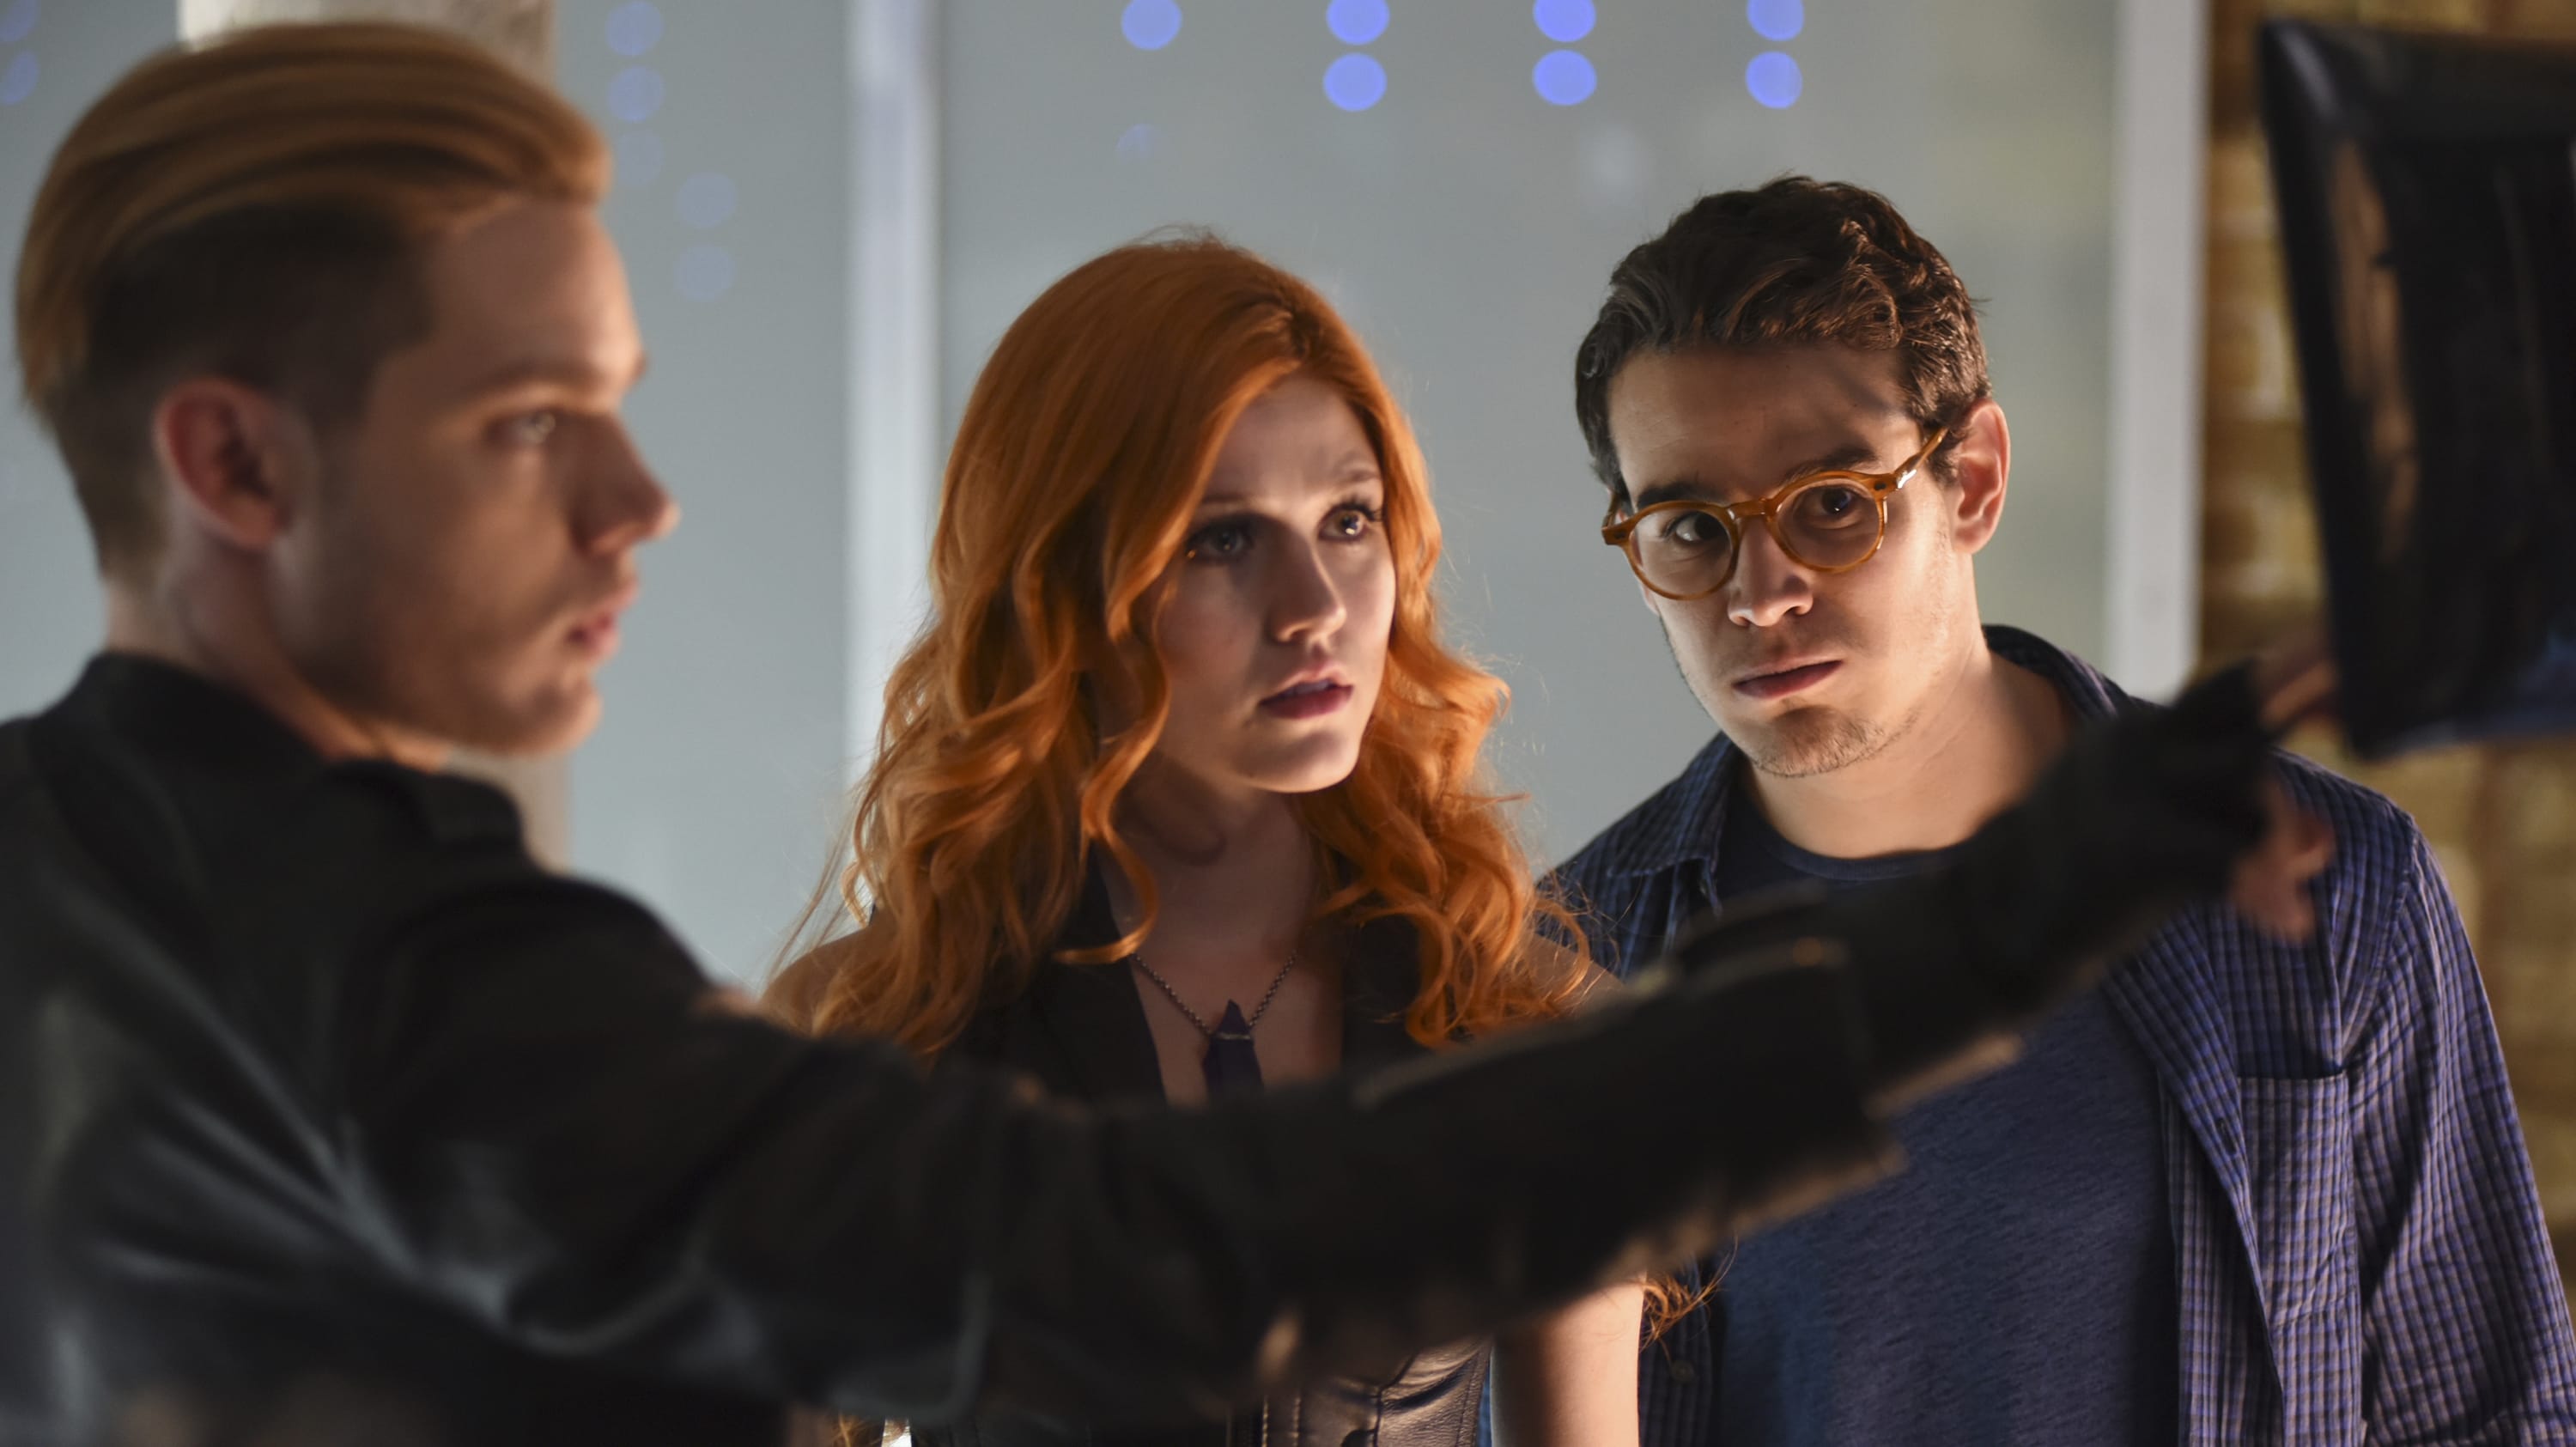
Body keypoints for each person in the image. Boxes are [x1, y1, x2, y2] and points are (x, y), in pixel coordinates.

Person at [0, 26, 2312, 1447]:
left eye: (1348, 525)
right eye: (530, 420)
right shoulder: (429, 980)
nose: (639, 499)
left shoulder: (96, 865)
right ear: (234, 464)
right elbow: (1119, 1247)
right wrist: (1978, 940)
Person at [1552, 176, 2576, 1444]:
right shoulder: (1569, 968)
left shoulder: (2330, 877)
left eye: (1832, 504)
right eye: (1689, 526)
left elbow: (2487, 1414)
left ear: (1974, 480)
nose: (1760, 593)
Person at [766, 237, 1648, 1446]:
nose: (1315, 608)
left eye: (1349, 519)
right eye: (1220, 538)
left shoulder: (1533, 1027)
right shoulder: (865, 1043)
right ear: (1061, 585)